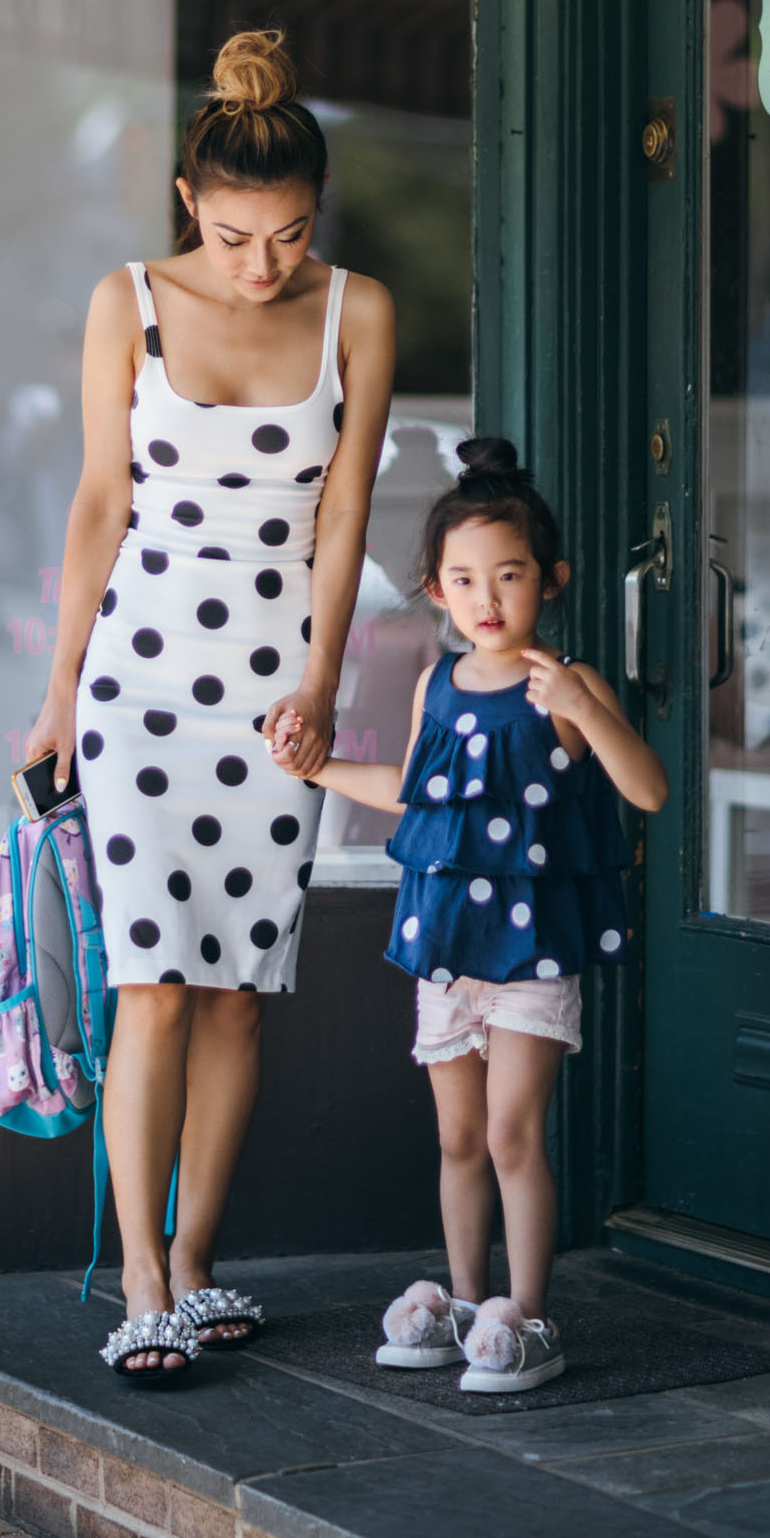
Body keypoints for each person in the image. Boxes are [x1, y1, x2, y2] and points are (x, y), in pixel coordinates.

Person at [23, 31, 395, 1378]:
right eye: (238, 236)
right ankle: (136, 1282)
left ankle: (195, 1260)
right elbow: (98, 504)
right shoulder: (127, 301)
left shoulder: (357, 309)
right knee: (154, 989)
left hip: (272, 691)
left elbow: (344, 515)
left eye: (290, 236)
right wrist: (58, 698)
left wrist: (321, 682)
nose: (263, 267)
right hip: (140, 686)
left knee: (240, 994)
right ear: (191, 201)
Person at [281, 436, 667, 1393]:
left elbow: (649, 792)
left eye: (509, 574)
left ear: (552, 580)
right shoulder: (436, 684)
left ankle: (530, 1316)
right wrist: (317, 766)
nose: (486, 597)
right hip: (447, 937)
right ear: (435, 588)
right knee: (456, 1137)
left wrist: (586, 702)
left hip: (533, 946)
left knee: (510, 1135)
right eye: (463, 578)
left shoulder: (565, 686)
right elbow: (416, 795)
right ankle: (464, 1301)